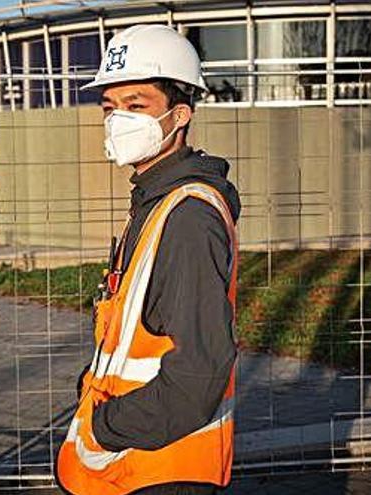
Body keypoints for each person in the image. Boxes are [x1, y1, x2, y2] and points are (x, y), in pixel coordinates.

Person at [56, 24, 241, 495]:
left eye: (136, 105)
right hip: (138, 461)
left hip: (162, 468)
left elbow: (200, 373)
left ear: (180, 116)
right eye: (110, 108)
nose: (118, 119)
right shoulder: (154, 201)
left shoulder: (188, 218)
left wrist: (104, 427)